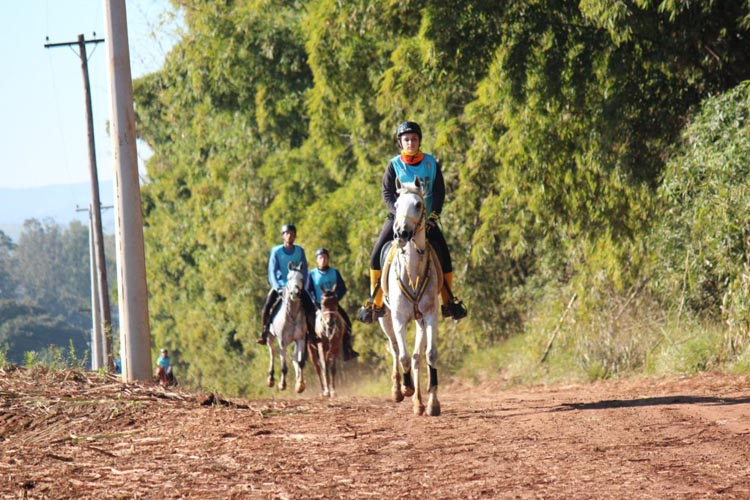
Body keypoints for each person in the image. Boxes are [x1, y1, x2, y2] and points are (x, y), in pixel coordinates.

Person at [357, 121, 467, 323]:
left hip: (426, 219)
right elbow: (387, 193)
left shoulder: (430, 163)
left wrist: (434, 216)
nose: (410, 142)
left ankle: (449, 302)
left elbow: (439, 192)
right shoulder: (394, 165)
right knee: (376, 254)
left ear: (419, 141)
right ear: (400, 142)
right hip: (400, 218)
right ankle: (376, 303)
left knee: (444, 254)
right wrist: (397, 212)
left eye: (414, 139)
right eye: (406, 139)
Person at [257, 223, 317, 345]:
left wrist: (302, 286)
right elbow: (272, 271)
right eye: (287, 234)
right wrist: (277, 287)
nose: (289, 236)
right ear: (283, 236)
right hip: (281, 286)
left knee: (311, 307)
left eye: (292, 234)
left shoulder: (300, 251)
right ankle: (264, 333)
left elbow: (304, 269)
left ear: (295, 236)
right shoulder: (276, 251)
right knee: (267, 307)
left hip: (296, 286)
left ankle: (312, 334)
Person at [306, 247, 359, 361]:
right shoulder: (312, 274)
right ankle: (307, 351)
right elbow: (308, 290)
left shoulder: (335, 272)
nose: (323, 260)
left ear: (328, 259)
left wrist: (336, 298)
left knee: (347, 323)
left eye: (325, 257)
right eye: (320, 257)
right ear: (317, 260)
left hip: (332, 306)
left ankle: (347, 350)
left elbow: (342, 288)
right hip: (318, 306)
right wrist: (314, 301)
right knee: (306, 325)